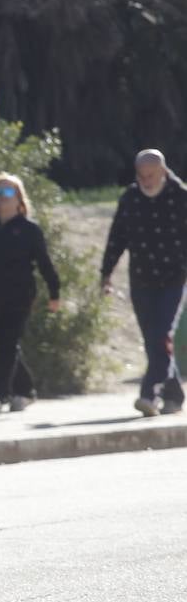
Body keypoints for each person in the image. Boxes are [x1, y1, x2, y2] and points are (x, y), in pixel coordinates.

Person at [100, 149, 187, 416]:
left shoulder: (180, 197)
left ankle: (149, 393)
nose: (146, 180)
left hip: (173, 278)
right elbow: (117, 237)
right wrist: (106, 273)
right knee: (153, 340)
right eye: (141, 175)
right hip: (141, 279)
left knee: (162, 336)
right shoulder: (131, 198)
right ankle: (174, 394)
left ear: (163, 171)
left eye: (151, 175)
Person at [0, 173, 60, 415]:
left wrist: (54, 293)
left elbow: (45, 264)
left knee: (8, 343)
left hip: (20, 297)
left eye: (8, 192)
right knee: (7, 345)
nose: (2, 198)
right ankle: (25, 391)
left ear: (19, 198)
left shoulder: (30, 230)